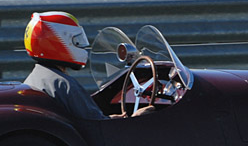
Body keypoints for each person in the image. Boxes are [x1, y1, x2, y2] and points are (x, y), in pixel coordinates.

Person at [22, 11, 153, 119]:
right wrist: (136, 118)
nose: (83, 45)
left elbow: (92, 121)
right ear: (57, 42)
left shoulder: (37, 77)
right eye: (77, 41)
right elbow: (98, 128)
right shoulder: (64, 85)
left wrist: (111, 119)